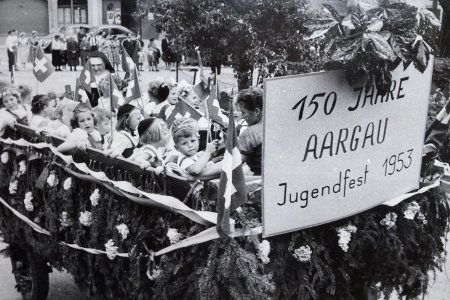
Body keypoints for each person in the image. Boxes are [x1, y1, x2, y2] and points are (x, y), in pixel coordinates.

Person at [237, 87, 263, 175]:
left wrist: (202, 174)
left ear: (256, 112)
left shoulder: (250, 132)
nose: (242, 117)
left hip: (263, 184)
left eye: (243, 112)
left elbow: (232, 165)